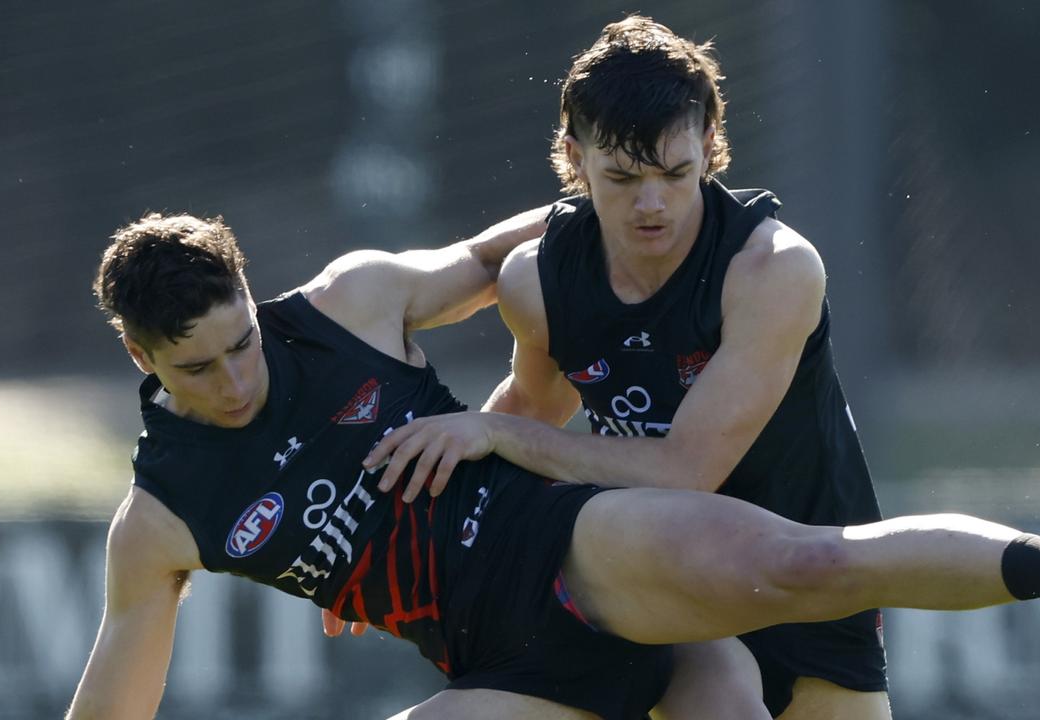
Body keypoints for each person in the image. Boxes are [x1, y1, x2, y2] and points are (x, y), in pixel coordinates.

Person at [68, 211, 1040, 720]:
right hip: (498, 675)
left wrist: (643, 201)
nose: (235, 381)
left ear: (251, 299)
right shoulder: (159, 519)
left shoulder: (348, 304)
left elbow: (504, 252)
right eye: (199, 370)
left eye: (241, 345)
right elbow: (116, 704)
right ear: (140, 355)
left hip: (567, 549)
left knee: (802, 569)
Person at [357, 14, 875, 719]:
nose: (652, 203)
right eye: (623, 178)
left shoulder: (772, 269)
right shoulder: (539, 279)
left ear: (711, 144)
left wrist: (494, 432)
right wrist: (396, 544)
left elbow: (685, 470)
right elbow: (532, 413)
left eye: (675, 173)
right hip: (660, 573)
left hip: (805, 564)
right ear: (574, 157)